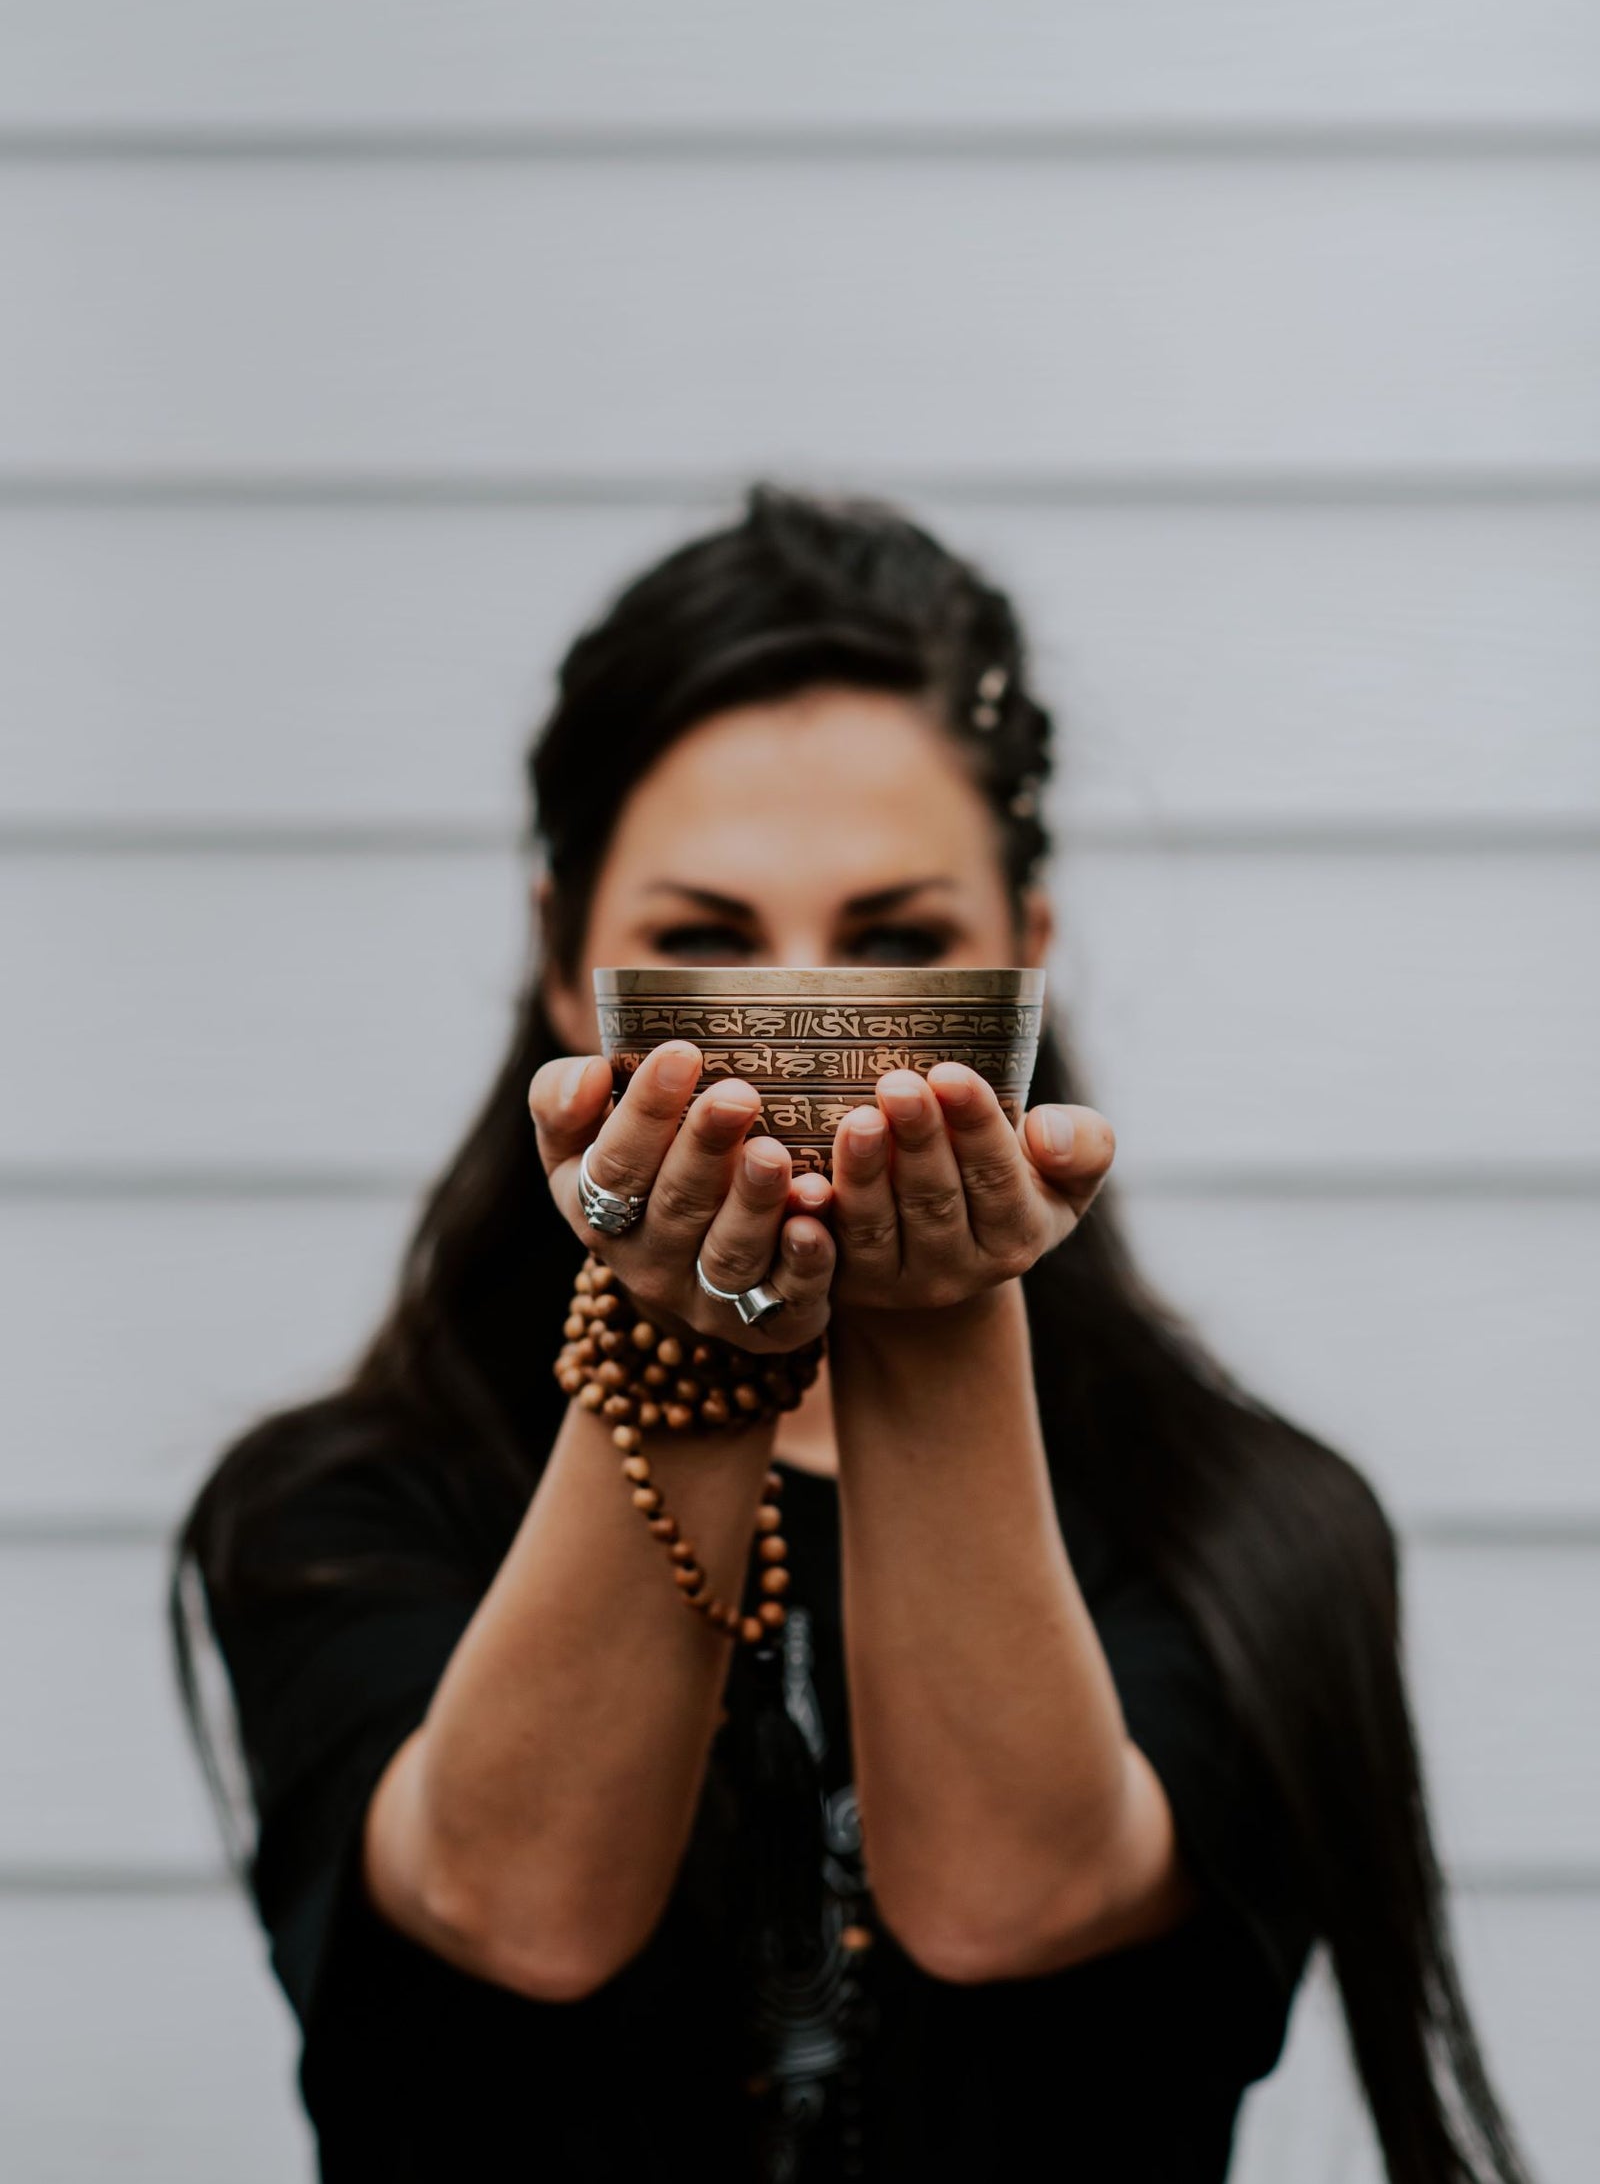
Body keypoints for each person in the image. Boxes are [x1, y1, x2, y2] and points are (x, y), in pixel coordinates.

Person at [174, 485, 1529, 2184]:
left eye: (897, 943)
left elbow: (1011, 1898)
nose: (802, 1009)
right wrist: (690, 1348)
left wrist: (937, 1309)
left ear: (1024, 959)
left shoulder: (1251, 1533)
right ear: (559, 958)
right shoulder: (333, 1518)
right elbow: (508, 1907)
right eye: (704, 943)